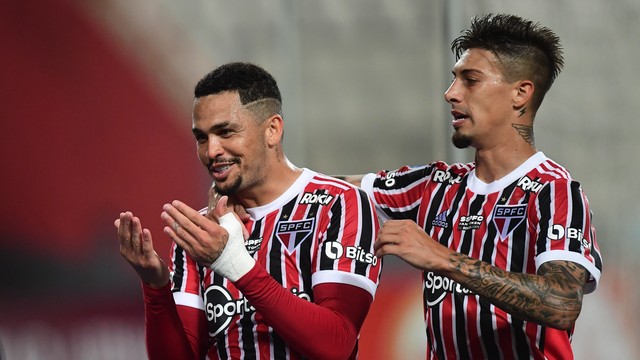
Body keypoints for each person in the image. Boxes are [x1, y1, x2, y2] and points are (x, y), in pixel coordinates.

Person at [340, 13, 603, 359]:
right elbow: (324, 189)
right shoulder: (434, 185)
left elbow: (562, 302)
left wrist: (442, 258)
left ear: (520, 93)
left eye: (471, 80)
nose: (450, 93)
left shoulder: (554, 192)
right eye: (454, 79)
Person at [114, 62, 382, 359]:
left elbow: (336, 345)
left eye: (225, 132)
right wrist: (156, 287)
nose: (211, 150)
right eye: (201, 138)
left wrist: (233, 262)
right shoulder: (200, 233)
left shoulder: (339, 205)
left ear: (272, 130)